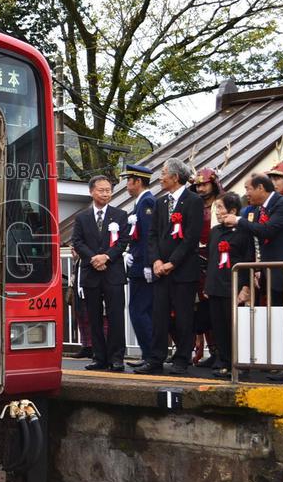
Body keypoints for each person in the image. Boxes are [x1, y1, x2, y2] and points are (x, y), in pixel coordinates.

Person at [220, 173, 283, 383]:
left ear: (261, 189)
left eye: (248, 189)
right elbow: (257, 239)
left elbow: (267, 231)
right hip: (275, 273)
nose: (246, 193)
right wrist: (257, 268)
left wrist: (238, 220)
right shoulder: (256, 210)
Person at [135, 158, 204, 375]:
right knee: (159, 316)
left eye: (164, 173)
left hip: (182, 270)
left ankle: (182, 359)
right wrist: (156, 261)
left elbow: (191, 237)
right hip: (160, 270)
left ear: (175, 177)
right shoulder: (160, 202)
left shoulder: (193, 200)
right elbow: (153, 235)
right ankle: (156, 359)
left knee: (184, 316)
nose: (160, 177)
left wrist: (172, 263)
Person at [70, 175, 130, 371]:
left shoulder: (120, 215)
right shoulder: (82, 217)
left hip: (113, 272)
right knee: (93, 317)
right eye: (101, 190)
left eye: (108, 190)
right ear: (91, 192)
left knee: (115, 316)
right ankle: (99, 357)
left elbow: (122, 242)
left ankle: (116, 357)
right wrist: (94, 258)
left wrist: (106, 257)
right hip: (91, 273)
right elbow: (77, 242)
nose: (106, 193)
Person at [204, 192, 253, 378]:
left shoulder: (244, 232)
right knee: (218, 326)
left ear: (233, 210)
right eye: (216, 208)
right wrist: (208, 285)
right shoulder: (215, 231)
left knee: (234, 326)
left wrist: (246, 287)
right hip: (216, 284)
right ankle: (223, 360)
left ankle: (239, 362)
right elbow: (211, 259)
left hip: (234, 285)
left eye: (221, 208)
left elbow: (249, 259)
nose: (217, 212)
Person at [121, 164, 155, 368]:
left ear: (138, 181)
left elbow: (149, 235)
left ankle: (150, 355)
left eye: (128, 180)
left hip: (143, 267)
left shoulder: (147, 202)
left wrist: (148, 264)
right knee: (138, 310)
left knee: (139, 310)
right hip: (138, 263)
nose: (127, 185)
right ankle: (148, 354)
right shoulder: (140, 202)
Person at [190, 167, 223, 366]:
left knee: (219, 309)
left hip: (220, 259)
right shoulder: (194, 206)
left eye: (204, 184)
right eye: (198, 185)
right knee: (202, 309)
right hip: (197, 261)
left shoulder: (222, 205)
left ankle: (224, 353)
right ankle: (212, 352)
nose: (201, 188)